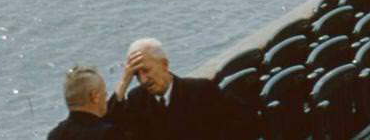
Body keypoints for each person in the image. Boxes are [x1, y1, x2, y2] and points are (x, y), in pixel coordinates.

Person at [107, 38, 259, 139]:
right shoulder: (137, 99)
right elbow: (111, 129)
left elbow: (246, 119)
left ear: (164, 65)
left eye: (146, 71)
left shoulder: (200, 91)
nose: (143, 80)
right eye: (135, 75)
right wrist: (123, 83)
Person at [48, 65, 125, 139]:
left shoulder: (55, 135)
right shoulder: (108, 134)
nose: (106, 96)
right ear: (95, 96)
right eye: (104, 92)